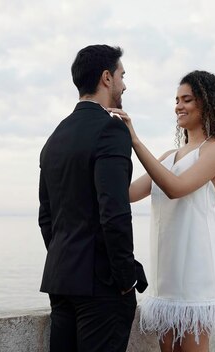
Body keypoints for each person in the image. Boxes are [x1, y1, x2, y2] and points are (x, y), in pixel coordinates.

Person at [109, 70, 215, 351]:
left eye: (187, 99)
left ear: (207, 104)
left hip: (196, 271)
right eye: (176, 99)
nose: (178, 106)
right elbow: (127, 194)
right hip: (167, 274)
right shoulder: (169, 157)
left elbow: (176, 187)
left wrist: (135, 141)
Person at [38, 44, 148, 352]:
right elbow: (114, 211)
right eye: (121, 75)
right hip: (101, 287)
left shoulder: (54, 138)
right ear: (106, 78)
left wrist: (67, 258)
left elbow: (46, 217)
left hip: (61, 280)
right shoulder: (111, 131)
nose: (124, 84)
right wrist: (126, 278)